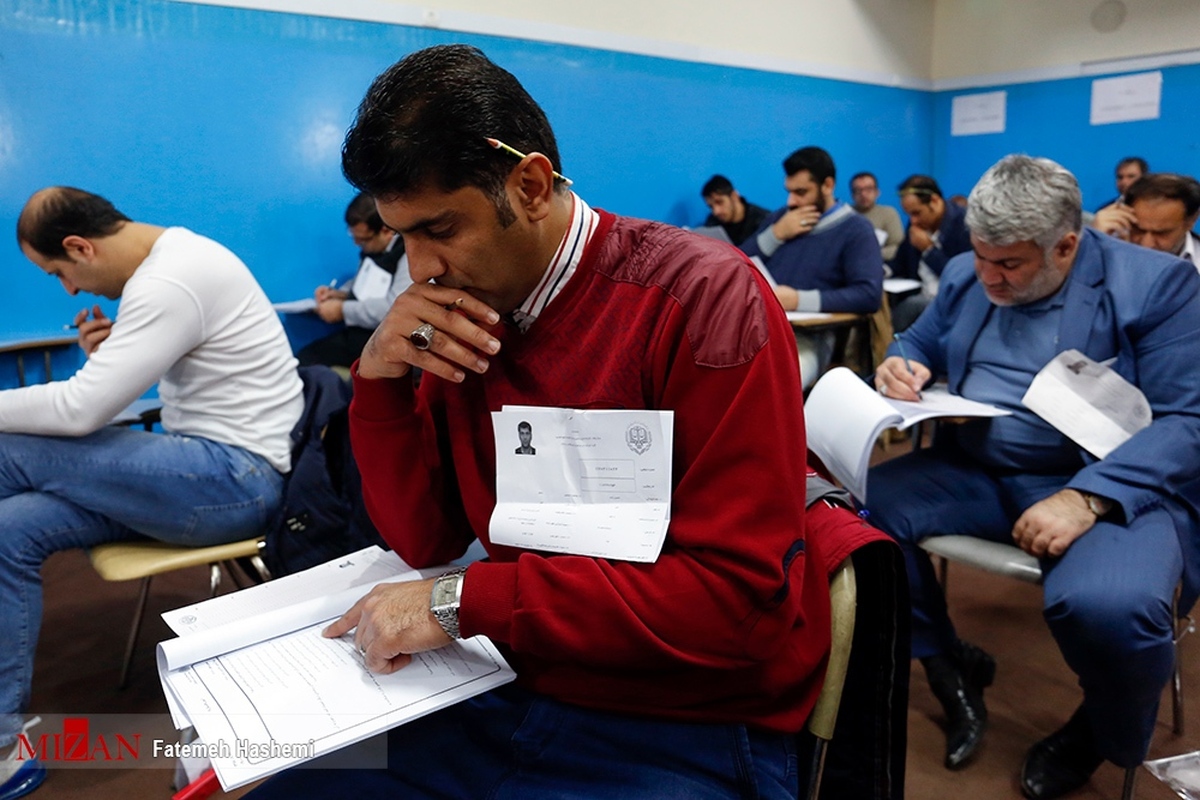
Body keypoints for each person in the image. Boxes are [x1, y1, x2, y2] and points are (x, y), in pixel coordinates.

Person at [245, 44, 893, 800]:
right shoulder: (465, 318)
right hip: (516, 670)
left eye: (440, 229)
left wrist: (465, 601)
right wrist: (382, 385)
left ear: (529, 184)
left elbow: (729, 605)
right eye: (402, 238)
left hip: (684, 715)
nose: (418, 268)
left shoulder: (702, 300)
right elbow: (425, 540)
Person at [866, 155, 1200, 799]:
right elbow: (916, 340)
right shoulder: (968, 272)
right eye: (981, 256)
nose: (988, 276)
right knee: (854, 515)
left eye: (1010, 265)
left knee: (1111, 606)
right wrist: (898, 365)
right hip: (981, 467)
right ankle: (946, 665)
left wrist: (1087, 497)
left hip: (1106, 480)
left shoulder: (1155, 286)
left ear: (1067, 245)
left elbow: (1188, 419)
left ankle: (1096, 732)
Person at [1, 187, 304, 800]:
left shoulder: (170, 280)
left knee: (9, 448)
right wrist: (120, 350)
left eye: (60, 273)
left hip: (233, 480)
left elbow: (81, 408)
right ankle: (5, 745)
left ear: (80, 247)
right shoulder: (172, 267)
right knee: (10, 529)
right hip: (201, 475)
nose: (69, 291)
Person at [741, 146, 883, 387]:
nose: (791, 201)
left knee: (775, 383)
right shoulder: (782, 218)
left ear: (827, 185)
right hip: (755, 327)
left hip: (810, 337)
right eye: (789, 191)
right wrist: (775, 234)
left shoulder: (856, 230)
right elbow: (737, 264)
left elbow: (868, 295)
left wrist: (797, 299)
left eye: (801, 192)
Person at [296, 192, 412, 368]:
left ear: (386, 231)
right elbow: (363, 283)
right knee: (304, 359)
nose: (358, 245)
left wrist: (343, 310)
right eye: (354, 238)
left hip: (383, 342)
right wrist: (337, 294)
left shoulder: (407, 256)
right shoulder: (373, 249)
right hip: (356, 335)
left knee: (310, 362)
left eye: (363, 240)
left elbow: (394, 307)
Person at [890, 175, 972, 331]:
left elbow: (962, 277)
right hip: (919, 294)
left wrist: (928, 250)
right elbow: (899, 262)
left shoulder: (965, 224)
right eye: (908, 214)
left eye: (916, 213)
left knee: (909, 307)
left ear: (934, 201)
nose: (912, 220)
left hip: (952, 302)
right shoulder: (918, 223)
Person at [1123, 172, 1200, 269]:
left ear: (1191, 221)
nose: (1146, 244)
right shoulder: (1106, 254)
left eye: (1161, 233)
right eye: (1138, 230)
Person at [699, 174, 770, 246]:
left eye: (719, 202)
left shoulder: (763, 220)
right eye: (711, 207)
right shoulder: (712, 222)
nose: (716, 211)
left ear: (734, 196)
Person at [1089, 156, 1150, 238]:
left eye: (1131, 176)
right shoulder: (1105, 211)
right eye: (1120, 177)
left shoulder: (1157, 208)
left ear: (1145, 178)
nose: (1124, 182)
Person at [850, 171, 904, 261]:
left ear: (877, 192)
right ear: (852, 195)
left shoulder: (888, 213)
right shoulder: (845, 214)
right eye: (858, 190)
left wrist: (869, 254)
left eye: (868, 189)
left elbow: (898, 247)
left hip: (881, 264)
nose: (863, 194)